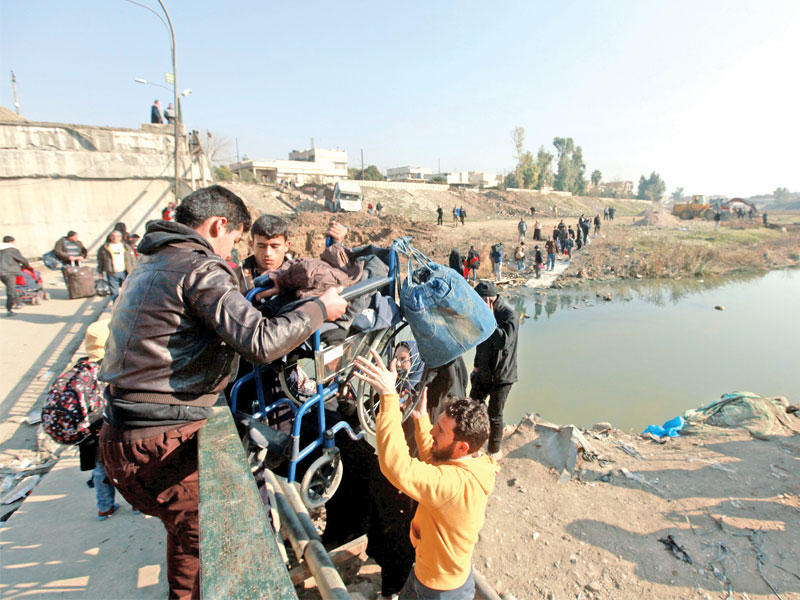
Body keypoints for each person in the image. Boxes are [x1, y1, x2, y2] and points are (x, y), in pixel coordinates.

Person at [99, 185, 348, 599]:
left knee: (190, 547)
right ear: (219, 225)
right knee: (215, 555)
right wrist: (320, 308)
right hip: (162, 441)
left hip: (120, 433)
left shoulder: (150, 261)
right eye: (235, 239)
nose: (231, 251)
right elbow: (262, 341)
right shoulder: (199, 267)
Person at [353, 351, 497, 599]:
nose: (433, 432)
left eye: (439, 430)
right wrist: (420, 422)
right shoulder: (475, 462)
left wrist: (388, 398)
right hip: (424, 571)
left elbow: (398, 467)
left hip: (440, 590)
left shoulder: (454, 485)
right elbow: (436, 463)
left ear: (462, 446)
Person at [77, 319, 121, 520]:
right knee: (125, 466)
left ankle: (104, 508)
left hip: (91, 433)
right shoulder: (115, 368)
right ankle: (138, 505)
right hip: (113, 425)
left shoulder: (82, 372)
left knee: (100, 470)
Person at [469, 281, 519, 458]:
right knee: (473, 407)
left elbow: (502, 342)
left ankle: (493, 452)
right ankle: (473, 446)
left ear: (488, 300)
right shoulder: (482, 313)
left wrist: (490, 320)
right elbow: (480, 342)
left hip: (502, 375)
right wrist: (476, 366)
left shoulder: (509, 315)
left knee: (495, 414)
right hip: (483, 371)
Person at [97, 230, 136, 302]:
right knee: (114, 292)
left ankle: (127, 305)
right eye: (113, 236)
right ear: (110, 237)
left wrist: (134, 269)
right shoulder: (105, 247)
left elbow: (132, 259)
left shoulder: (126, 247)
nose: (115, 238)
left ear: (120, 237)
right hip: (112, 272)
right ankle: (116, 306)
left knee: (127, 290)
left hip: (125, 272)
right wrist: (100, 271)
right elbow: (100, 260)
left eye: (118, 236)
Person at [1, 235, 32, 317]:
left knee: (11, 287)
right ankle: (9, 309)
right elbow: (23, 260)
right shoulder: (12, 250)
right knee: (10, 290)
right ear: (11, 242)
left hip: (1, 273)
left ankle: (18, 302)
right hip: (9, 272)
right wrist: (27, 266)